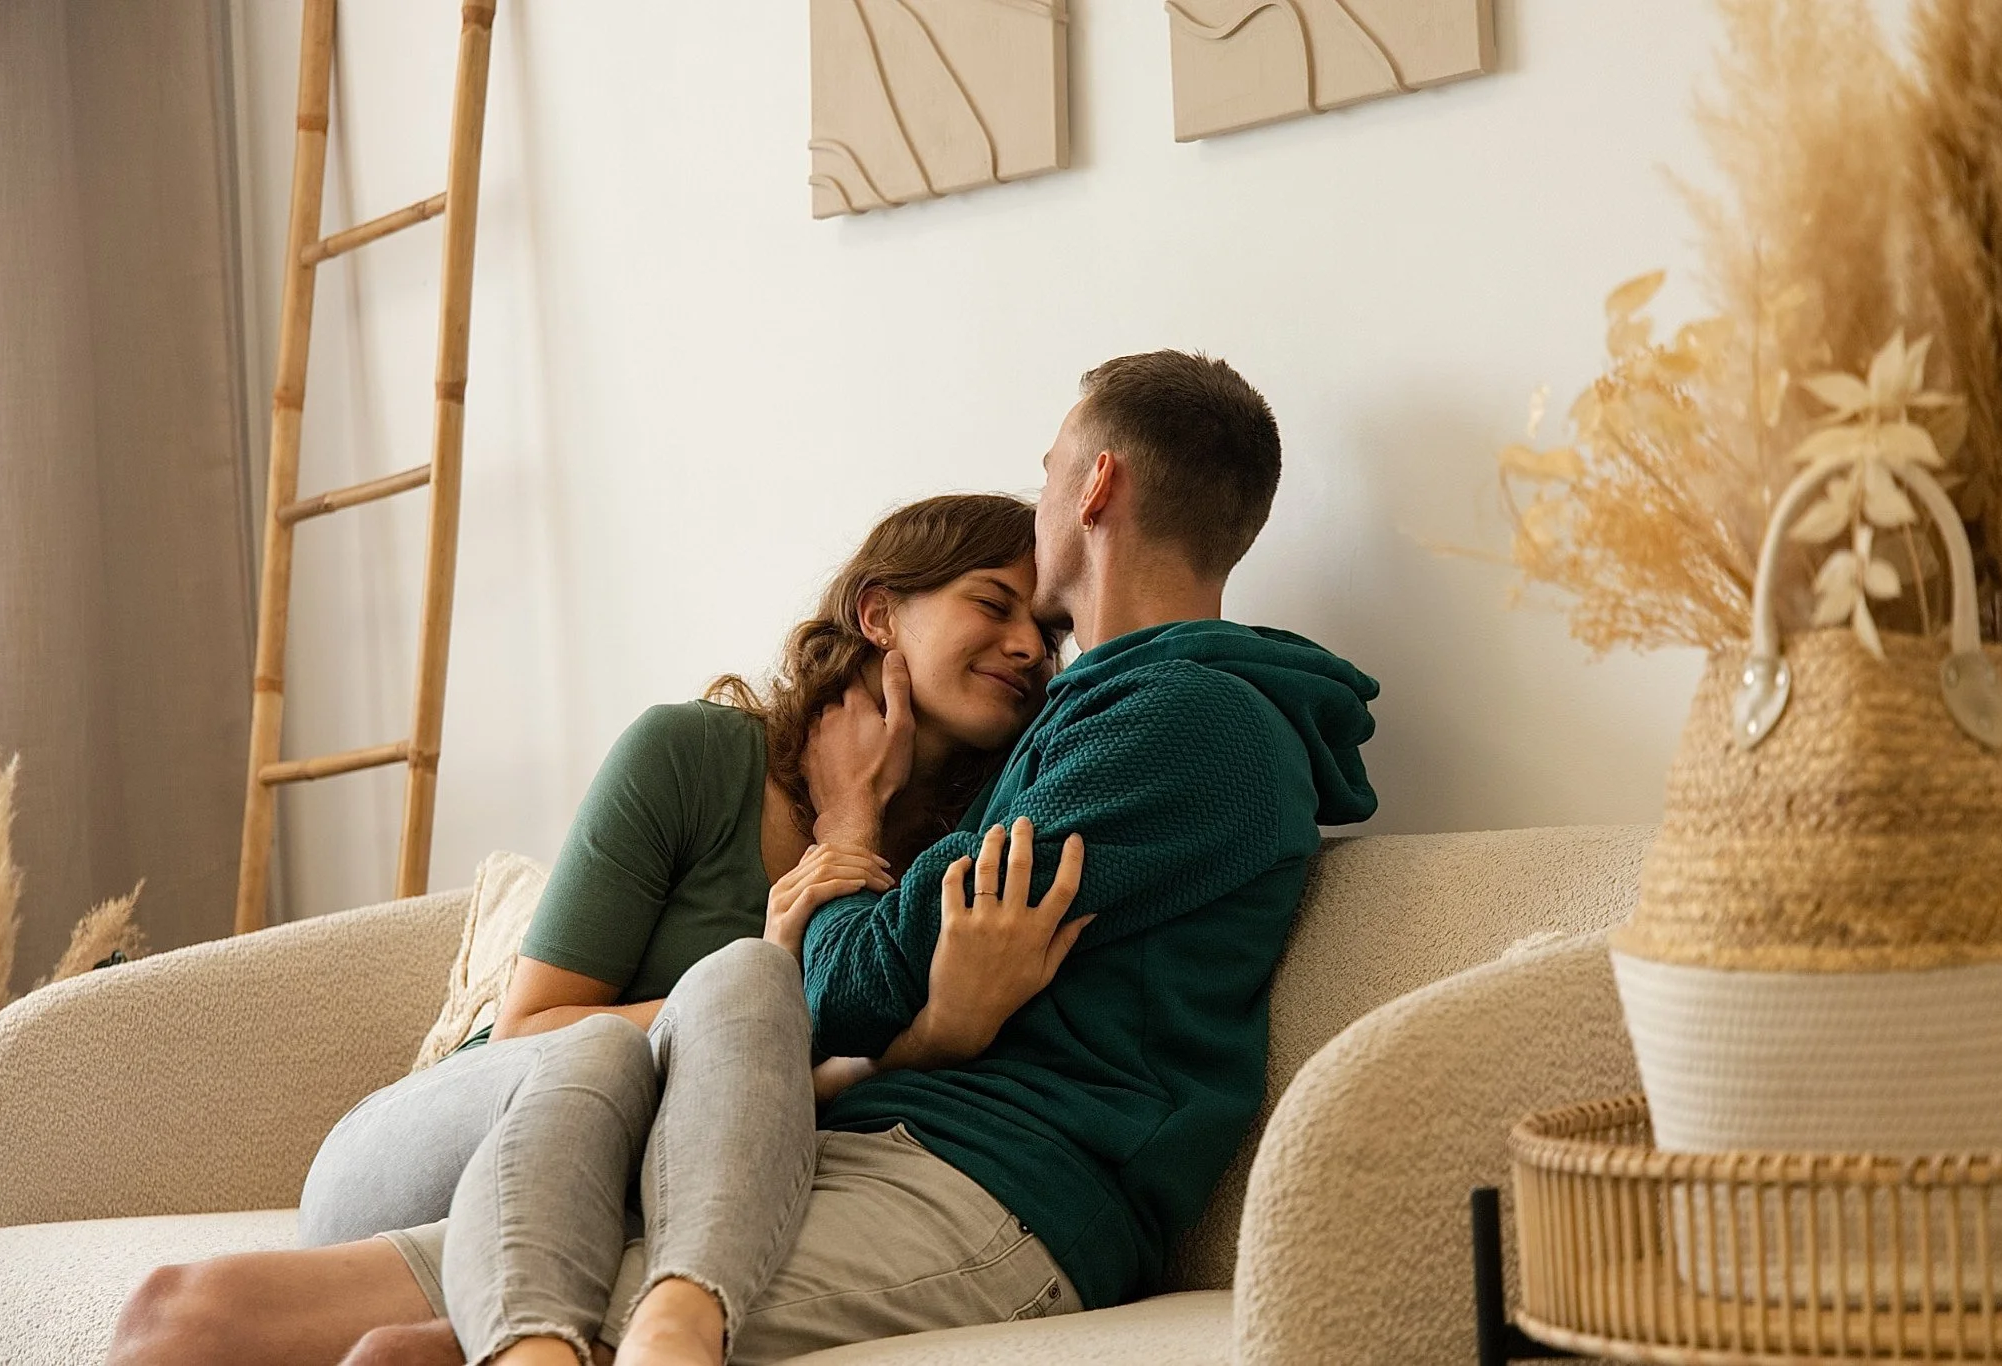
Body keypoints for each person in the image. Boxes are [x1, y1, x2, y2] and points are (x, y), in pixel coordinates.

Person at [114, 349, 1382, 1366]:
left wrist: (861, 902)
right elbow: (864, 978)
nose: (1036, 515)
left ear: (1093, 488)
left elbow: (867, 969)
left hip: (1006, 1188)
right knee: (196, 1311)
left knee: (386, 1345)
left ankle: (664, 1317)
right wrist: (882, 945)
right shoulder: (1071, 722)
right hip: (837, 1141)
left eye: (1046, 473)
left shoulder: (1188, 727)